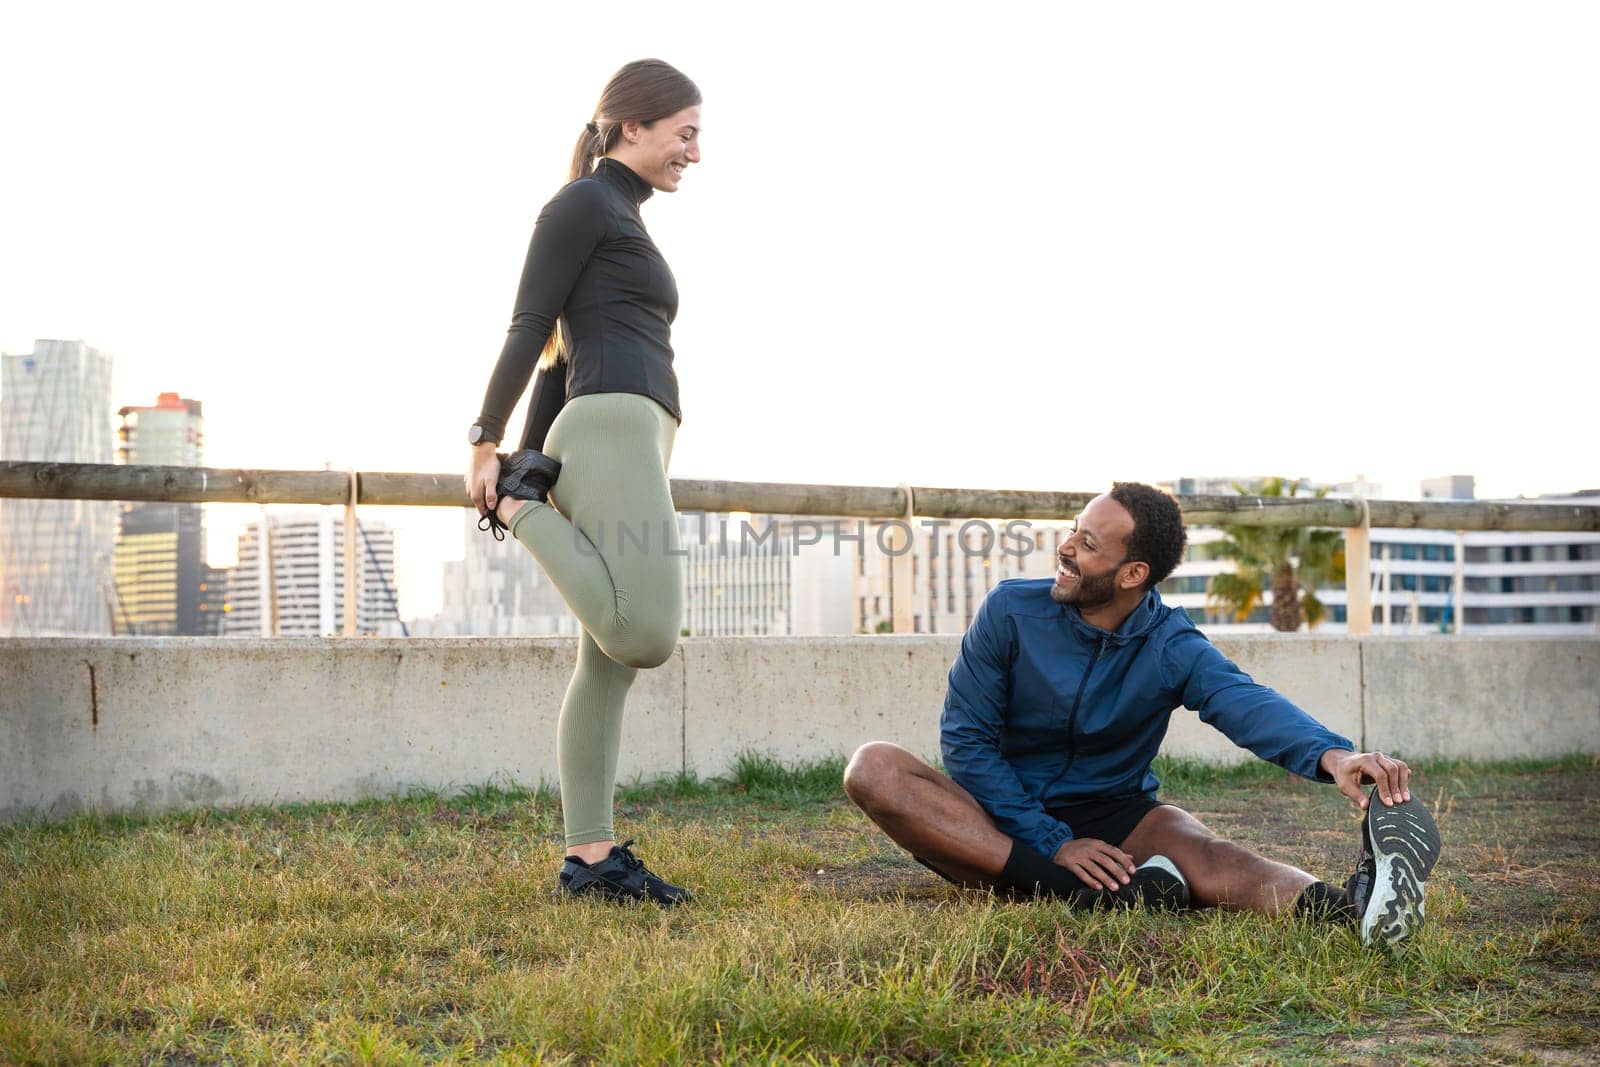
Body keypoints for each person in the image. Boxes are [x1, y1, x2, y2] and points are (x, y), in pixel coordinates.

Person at [843, 482, 1441, 946]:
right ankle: (1094, 891)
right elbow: (967, 743)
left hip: (1113, 812)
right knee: (873, 768)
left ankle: (1353, 912)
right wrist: (1054, 843)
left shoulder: (1171, 645)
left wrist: (1332, 755)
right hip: (994, 815)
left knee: (1211, 856)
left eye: (1088, 544)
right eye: (1075, 531)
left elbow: (1245, 702)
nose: (1067, 548)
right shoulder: (1009, 611)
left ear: (1132, 575)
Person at [464, 59, 702, 907]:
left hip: (624, 432)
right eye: (684, 132)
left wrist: (537, 457)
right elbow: (531, 327)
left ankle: (591, 859)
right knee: (645, 633)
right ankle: (517, 513)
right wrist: (494, 454)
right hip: (612, 428)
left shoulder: (620, 216)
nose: (695, 152)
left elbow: (560, 358)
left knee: (606, 666)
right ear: (631, 125)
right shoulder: (581, 205)